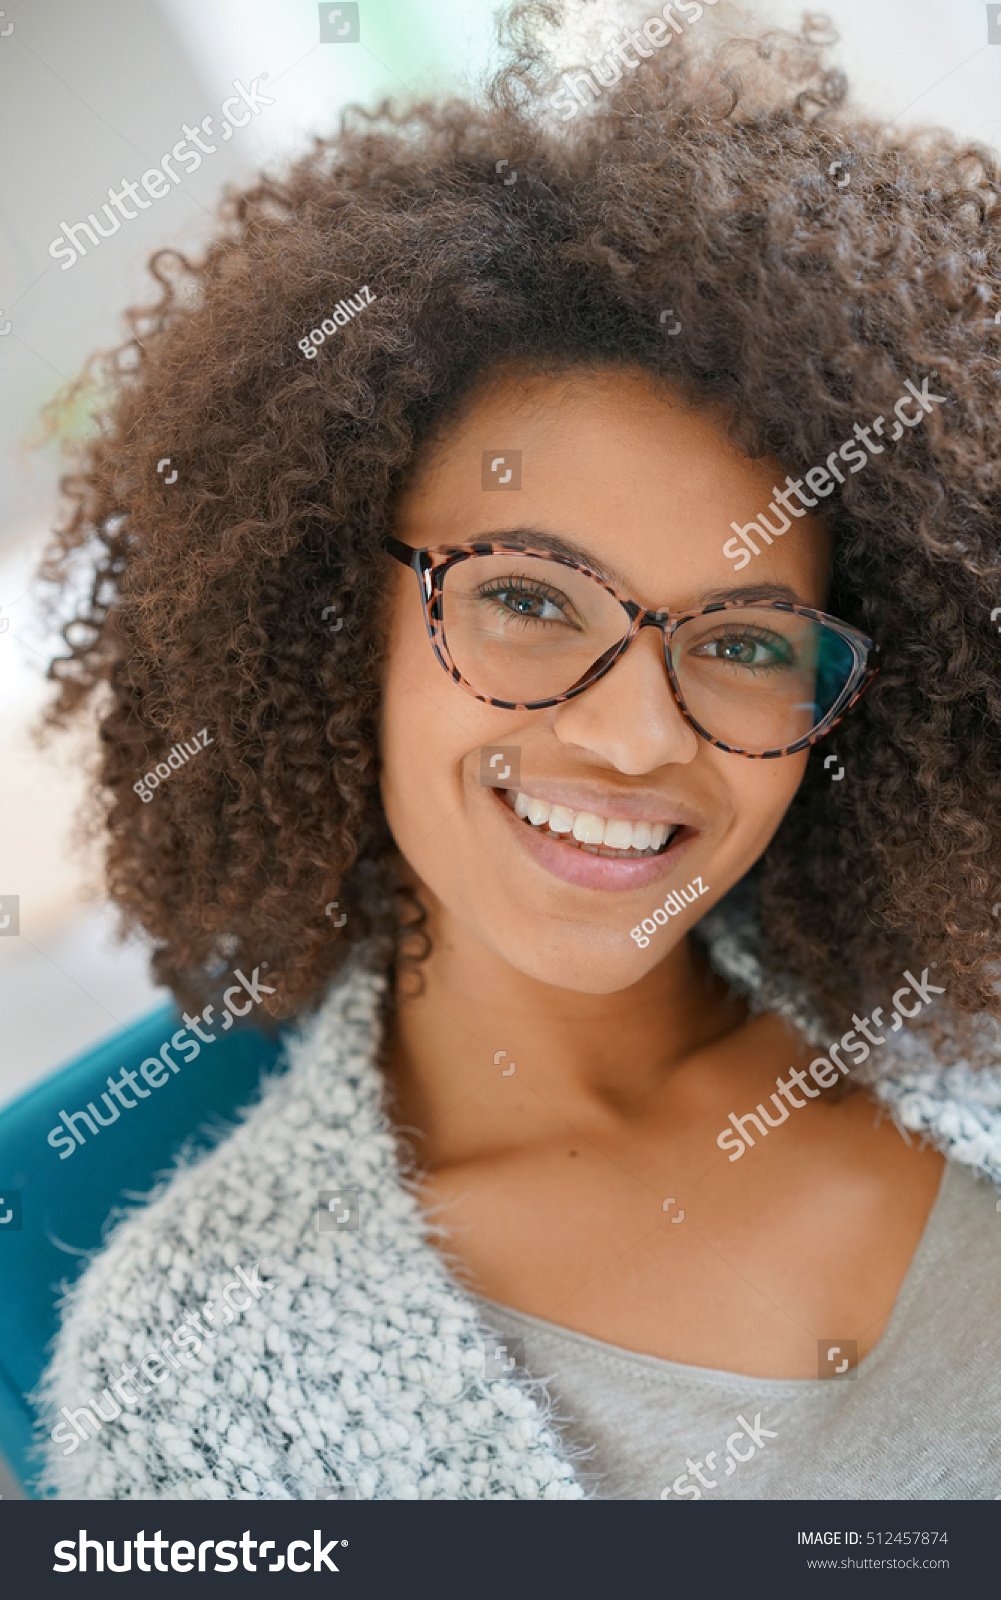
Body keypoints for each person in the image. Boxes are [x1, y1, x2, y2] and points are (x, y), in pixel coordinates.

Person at [35, 2, 1001, 1499]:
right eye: (526, 600)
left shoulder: (963, 1028)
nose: (629, 735)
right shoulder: (207, 1377)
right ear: (322, 613)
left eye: (744, 640)